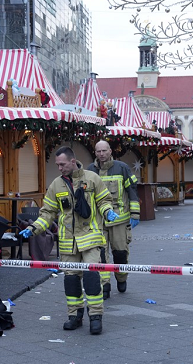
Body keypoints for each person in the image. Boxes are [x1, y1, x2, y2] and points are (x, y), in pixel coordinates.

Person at [19, 146, 118, 335]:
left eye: (62, 164)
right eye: (57, 165)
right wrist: (33, 228)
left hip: (91, 239)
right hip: (68, 243)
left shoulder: (92, 179)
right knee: (71, 281)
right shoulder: (56, 185)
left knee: (91, 278)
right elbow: (47, 213)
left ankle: (96, 317)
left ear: (73, 161)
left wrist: (108, 212)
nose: (60, 168)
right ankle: (75, 316)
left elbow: (104, 201)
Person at [87, 140, 140, 299]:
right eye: (98, 151)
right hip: (99, 221)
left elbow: (132, 191)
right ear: (95, 153)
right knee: (101, 255)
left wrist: (135, 214)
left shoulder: (122, 168)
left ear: (110, 151)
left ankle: (121, 278)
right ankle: (105, 286)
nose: (101, 154)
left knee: (120, 253)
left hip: (119, 222)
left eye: (104, 151)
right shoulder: (90, 170)